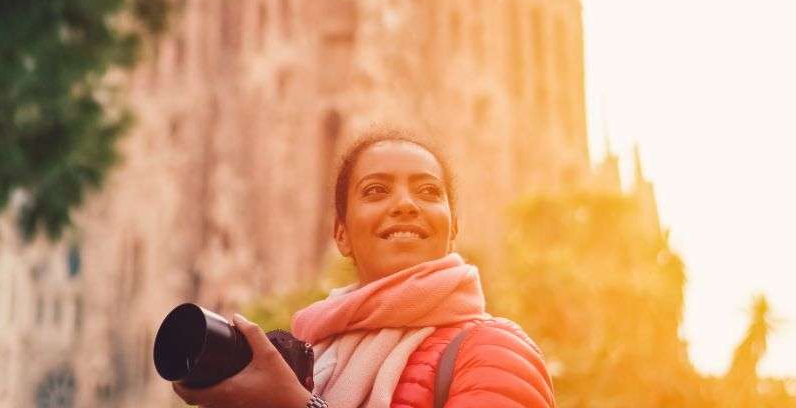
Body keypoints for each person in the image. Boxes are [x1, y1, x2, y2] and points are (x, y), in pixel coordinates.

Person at [173, 128, 555, 408]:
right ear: (341, 234)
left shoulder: (494, 349)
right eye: (376, 190)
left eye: (428, 191)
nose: (406, 205)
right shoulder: (311, 359)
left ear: (452, 228)